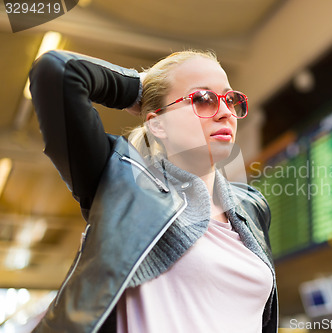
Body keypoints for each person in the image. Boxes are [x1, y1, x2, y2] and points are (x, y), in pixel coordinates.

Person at [28, 49, 278, 333]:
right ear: (157, 123)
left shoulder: (251, 207)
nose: (225, 113)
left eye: (230, 99)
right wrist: (138, 87)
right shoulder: (122, 183)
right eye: (203, 99)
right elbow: (58, 71)